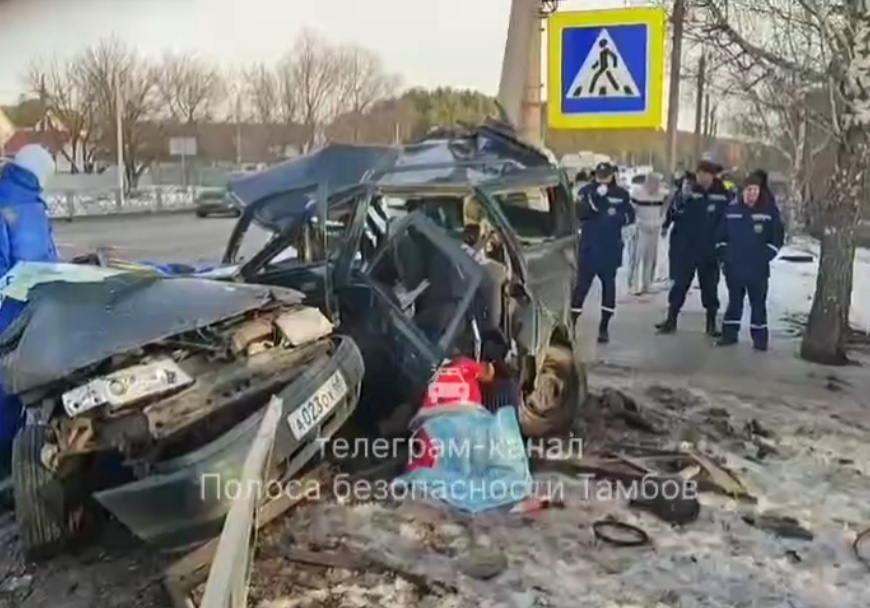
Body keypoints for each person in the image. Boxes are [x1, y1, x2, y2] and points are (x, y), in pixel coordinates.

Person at [0, 144, 58, 471]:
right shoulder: (12, 203)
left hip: (28, 307)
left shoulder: (32, 203)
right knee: (10, 384)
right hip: (16, 310)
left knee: (17, 383)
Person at [656, 154, 734, 336]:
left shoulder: (723, 194)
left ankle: (711, 324)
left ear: (712, 176)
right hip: (687, 248)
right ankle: (671, 320)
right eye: (699, 174)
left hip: (710, 250)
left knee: (710, 288)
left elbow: (729, 220)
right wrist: (682, 198)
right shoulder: (688, 190)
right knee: (679, 286)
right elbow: (673, 212)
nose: (702, 178)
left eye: (706, 174)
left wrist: (723, 245)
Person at [715, 171, 784, 350]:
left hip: (757, 269)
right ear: (742, 191)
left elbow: (777, 237)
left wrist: (765, 255)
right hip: (735, 267)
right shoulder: (732, 210)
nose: (752, 193)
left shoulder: (768, 212)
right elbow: (720, 236)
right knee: (734, 302)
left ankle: (760, 340)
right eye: (749, 190)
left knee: (758, 304)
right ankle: (729, 335)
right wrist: (724, 255)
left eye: (755, 190)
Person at [571, 161, 635, 344]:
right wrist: (595, 197)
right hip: (589, 247)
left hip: (610, 248)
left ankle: (604, 327)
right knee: (580, 289)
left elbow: (630, 215)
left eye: (606, 175)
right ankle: (572, 324)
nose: (603, 179)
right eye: (600, 175)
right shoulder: (586, 191)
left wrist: (617, 217)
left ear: (612, 175)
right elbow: (581, 213)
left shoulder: (621, 194)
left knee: (609, 288)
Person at [627, 172, 667, 295]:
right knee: (637, 257)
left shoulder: (661, 195)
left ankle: (647, 283)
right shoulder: (637, 193)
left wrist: (660, 222)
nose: (655, 187)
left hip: (654, 228)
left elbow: (663, 211)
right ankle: (634, 284)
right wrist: (638, 223)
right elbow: (631, 211)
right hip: (641, 229)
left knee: (650, 257)